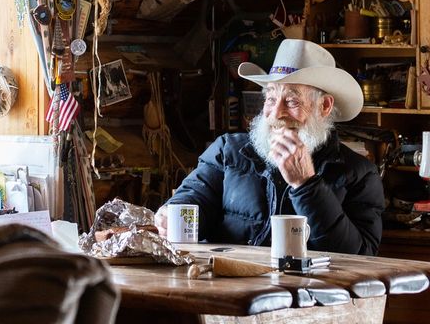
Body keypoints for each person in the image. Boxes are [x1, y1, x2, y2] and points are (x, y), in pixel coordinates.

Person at [155, 39, 384, 255]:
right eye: (271, 99)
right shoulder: (228, 150)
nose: (276, 115)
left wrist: (307, 185)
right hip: (230, 286)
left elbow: (361, 255)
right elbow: (195, 197)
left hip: (308, 294)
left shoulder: (360, 174)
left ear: (324, 106)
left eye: (292, 101)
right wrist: (171, 214)